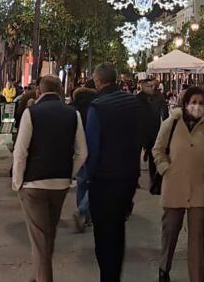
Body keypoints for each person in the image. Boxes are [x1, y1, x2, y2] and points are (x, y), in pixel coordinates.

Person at [12, 75, 88, 282]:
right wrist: (69, 173)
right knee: (48, 234)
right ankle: (37, 276)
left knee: (40, 239)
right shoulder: (73, 114)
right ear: (61, 90)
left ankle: (43, 278)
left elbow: (20, 151)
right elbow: (82, 152)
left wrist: (17, 181)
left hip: (33, 184)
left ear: (39, 91)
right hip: (60, 184)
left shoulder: (32, 113)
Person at [152, 86, 204, 282]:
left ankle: (197, 278)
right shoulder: (171, 124)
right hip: (174, 187)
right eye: (193, 102)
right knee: (170, 231)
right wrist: (166, 169)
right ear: (185, 103)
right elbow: (158, 150)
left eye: (200, 103)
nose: (196, 107)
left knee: (197, 239)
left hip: (199, 189)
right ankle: (164, 268)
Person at [85, 63, 142, 282]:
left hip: (104, 179)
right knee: (118, 228)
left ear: (98, 81)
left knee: (103, 232)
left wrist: (89, 178)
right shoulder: (132, 102)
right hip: (128, 176)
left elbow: (93, 146)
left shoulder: (97, 107)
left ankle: (108, 277)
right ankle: (114, 273)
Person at [70, 83, 97, 232]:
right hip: (92, 149)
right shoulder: (93, 109)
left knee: (81, 182)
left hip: (78, 150)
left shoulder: (73, 110)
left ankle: (83, 217)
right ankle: (82, 211)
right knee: (93, 183)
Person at [138, 77, 169, 193]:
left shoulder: (158, 97)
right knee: (136, 156)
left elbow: (164, 113)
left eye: (153, 86)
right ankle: (135, 179)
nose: (152, 88)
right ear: (142, 86)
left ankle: (154, 182)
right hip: (140, 131)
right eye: (148, 86)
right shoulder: (137, 98)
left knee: (153, 158)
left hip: (154, 130)